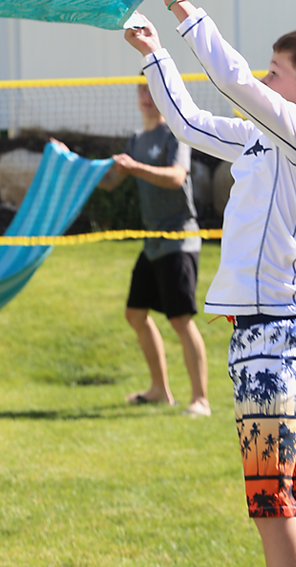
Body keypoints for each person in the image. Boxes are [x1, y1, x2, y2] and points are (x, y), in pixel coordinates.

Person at [124, 0, 296, 567]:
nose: (263, 77)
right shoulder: (265, 137)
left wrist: (181, 5)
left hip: (280, 337)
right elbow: (191, 123)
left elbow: (232, 81)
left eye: (275, 72)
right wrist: (156, 57)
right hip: (258, 337)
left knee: (274, 504)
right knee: (271, 505)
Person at [97, 84, 210, 417]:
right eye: (141, 90)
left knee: (180, 319)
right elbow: (109, 181)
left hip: (179, 240)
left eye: (152, 91)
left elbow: (176, 178)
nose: (146, 97)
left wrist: (136, 169)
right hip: (153, 242)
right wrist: (69, 161)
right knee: (135, 314)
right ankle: (160, 390)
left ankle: (200, 399)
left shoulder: (176, 133)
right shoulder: (135, 139)